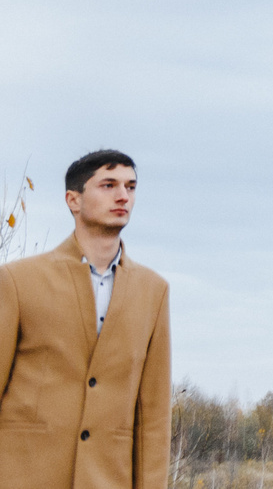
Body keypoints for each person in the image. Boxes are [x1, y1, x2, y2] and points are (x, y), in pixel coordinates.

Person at [0, 149, 173, 489]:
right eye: (108, 185)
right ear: (73, 200)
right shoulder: (17, 281)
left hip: (108, 480)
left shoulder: (153, 291)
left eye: (130, 187)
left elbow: (153, 417)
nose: (123, 196)